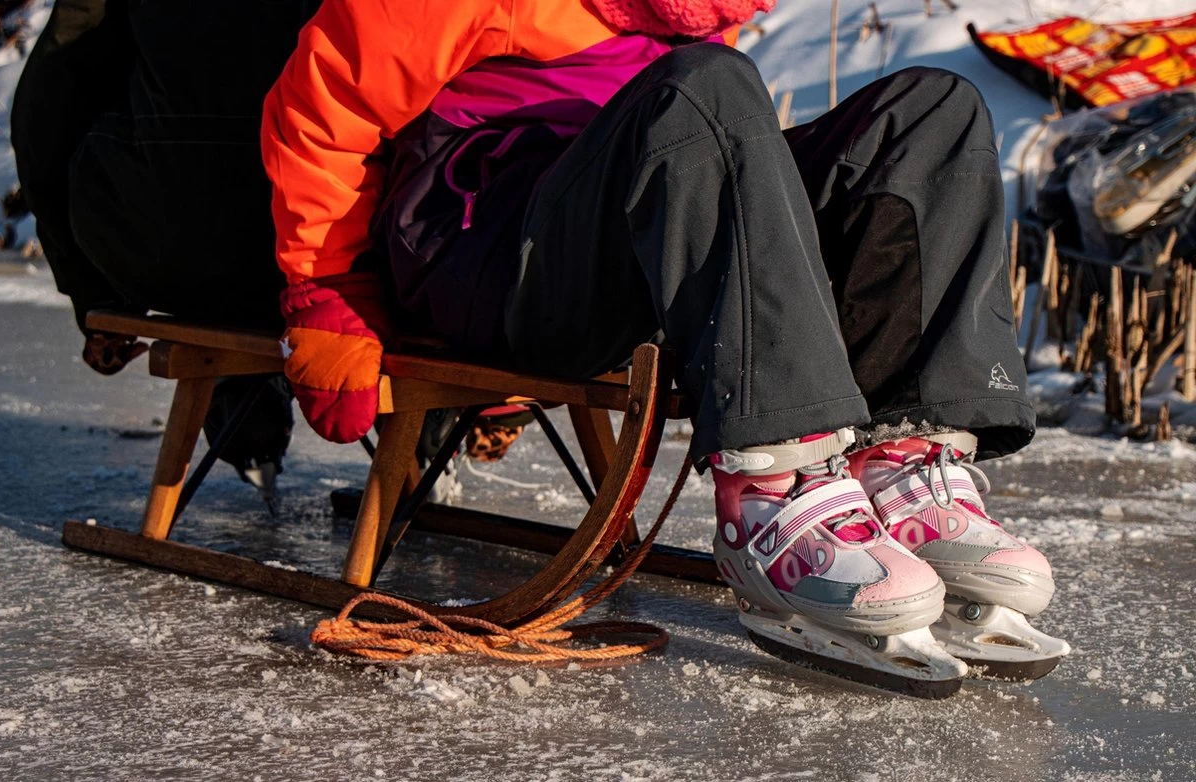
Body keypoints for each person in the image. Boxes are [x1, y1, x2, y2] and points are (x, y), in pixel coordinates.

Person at [261, 0, 1069, 695]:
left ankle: (903, 463)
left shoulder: (696, 19)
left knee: (931, 110)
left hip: (629, 244)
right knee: (703, 86)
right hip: (491, 254)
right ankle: (770, 491)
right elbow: (322, 110)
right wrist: (327, 289)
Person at [11, 0, 320, 495]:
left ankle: (245, 415)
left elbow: (44, 112)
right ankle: (428, 433)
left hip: (160, 245)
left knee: (208, 221)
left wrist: (94, 296)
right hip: (319, 250)